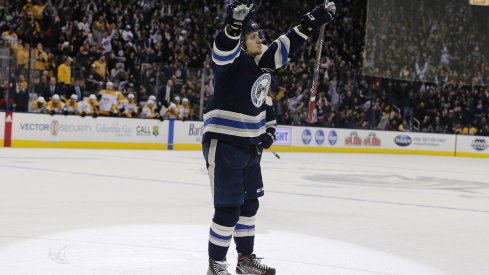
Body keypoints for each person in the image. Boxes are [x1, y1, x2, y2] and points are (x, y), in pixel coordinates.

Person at [202, 1, 336, 274]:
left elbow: (281, 49)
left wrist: (310, 22)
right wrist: (233, 26)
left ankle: (245, 260)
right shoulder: (231, 64)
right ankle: (215, 265)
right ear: (241, 44)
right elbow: (222, 50)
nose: (259, 40)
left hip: (250, 147)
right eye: (253, 37)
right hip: (225, 144)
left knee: (249, 205)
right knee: (228, 210)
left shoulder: (262, 66)